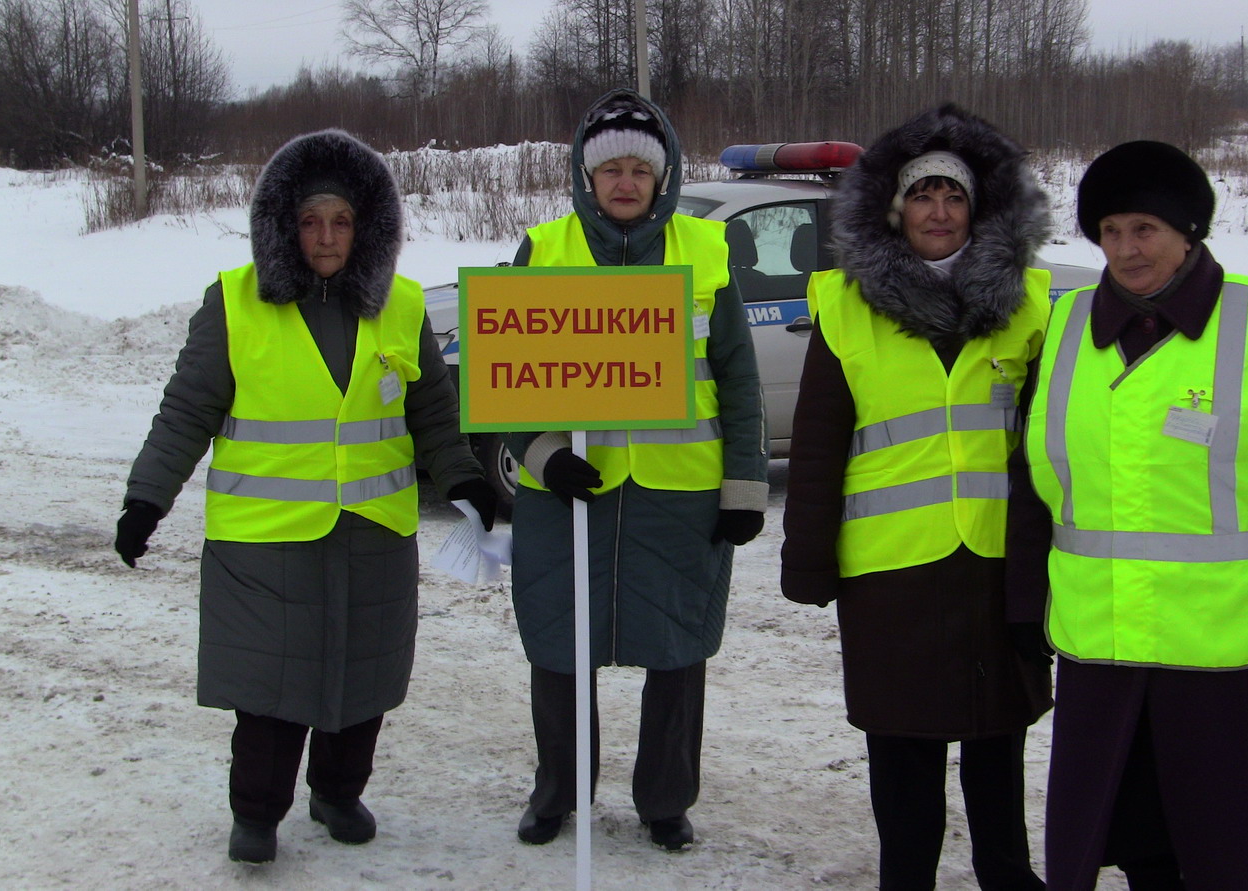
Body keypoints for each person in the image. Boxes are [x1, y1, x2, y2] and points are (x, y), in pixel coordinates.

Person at [1005, 140, 1248, 890]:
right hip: (1108, 645)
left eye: (1143, 228)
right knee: (1137, 831)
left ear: (1188, 231)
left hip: (1235, 648)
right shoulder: (1064, 327)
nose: (1125, 249)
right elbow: (1034, 479)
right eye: (1109, 231)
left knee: (1246, 847)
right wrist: (1025, 602)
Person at [114, 129, 498, 865]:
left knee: (364, 677)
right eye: (312, 221)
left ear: (367, 226)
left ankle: (337, 791)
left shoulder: (402, 306)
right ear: (286, 226)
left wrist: (466, 480)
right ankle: (257, 812)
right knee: (268, 685)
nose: (327, 236)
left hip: (373, 534)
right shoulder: (235, 304)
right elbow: (186, 412)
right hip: (263, 539)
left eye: (343, 221)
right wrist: (146, 499)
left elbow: (434, 421)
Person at [780, 104, 1054, 890]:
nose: (939, 210)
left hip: (998, 566)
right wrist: (807, 559)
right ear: (896, 208)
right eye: (924, 194)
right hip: (891, 574)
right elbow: (819, 442)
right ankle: (907, 878)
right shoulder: (844, 304)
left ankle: (1007, 872)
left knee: (999, 740)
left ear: (980, 209)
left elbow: (1048, 446)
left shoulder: (1029, 305)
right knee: (902, 752)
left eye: (955, 195)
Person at [502, 88, 767, 851]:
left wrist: (744, 488)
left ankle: (665, 800)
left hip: (677, 495)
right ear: (587, 179)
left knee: (678, 654)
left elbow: (739, 378)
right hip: (571, 497)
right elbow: (499, 375)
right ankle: (557, 794)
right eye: (609, 168)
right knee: (558, 649)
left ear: (664, 177)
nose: (624, 182)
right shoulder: (544, 250)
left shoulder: (705, 253)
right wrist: (545, 458)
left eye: (638, 170)